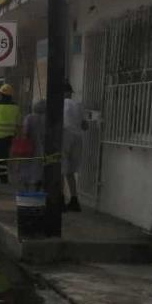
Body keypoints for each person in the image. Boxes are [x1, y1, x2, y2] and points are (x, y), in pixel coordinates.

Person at [62, 81, 87, 212]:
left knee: (59, 169)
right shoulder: (78, 105)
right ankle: (74, 200)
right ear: (70, 93)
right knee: (70, 171)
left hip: (64, 136)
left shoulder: (59, 104)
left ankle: (59, 200)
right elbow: (85, 126)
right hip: (78, 139)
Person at [0, 83, 20, 185]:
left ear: (1, 94)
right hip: (9, 137)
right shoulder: (15, 107)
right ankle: (3, 179)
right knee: (3, 159)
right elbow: (18, 123)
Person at [17, 99, 46, 192]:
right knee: (38, 173)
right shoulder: (46, 119)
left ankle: (27, 193)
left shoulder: (29, 118)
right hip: (42, 150)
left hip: (29, 149)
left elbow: (25, 132)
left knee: (26, 170)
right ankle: (36, 193)